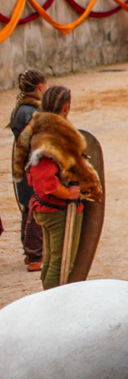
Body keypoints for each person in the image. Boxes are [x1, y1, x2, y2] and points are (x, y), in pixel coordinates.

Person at [17, 86, 102, 290]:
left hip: (48, 208)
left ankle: (48, 299)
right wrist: (68, 193)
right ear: (66, 106)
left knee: (53, 260)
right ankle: (53, 305)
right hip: (58, 211)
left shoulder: (38, 128)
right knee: (62, 264)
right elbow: (43, 179)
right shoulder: (52, 136)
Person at [10, 70, 45, 271]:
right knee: (35, 208)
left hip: (24, 166)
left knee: (29, 207)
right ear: (40, 86)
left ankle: (30, 252)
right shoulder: (30, 112)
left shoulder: (21, 109)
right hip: (31, 166)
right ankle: (34, 256)